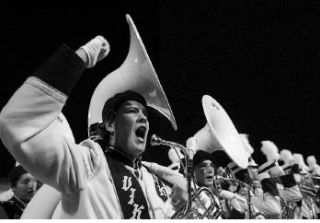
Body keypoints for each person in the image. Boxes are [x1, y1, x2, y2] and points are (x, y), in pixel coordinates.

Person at [0, 33, 183, 219]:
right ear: (111, 123)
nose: (143, 118)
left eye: (145, 113)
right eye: (133, 110)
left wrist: (179, 207)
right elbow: (17, 123)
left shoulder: (153, 179)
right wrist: (79, 58)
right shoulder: (87, 163)